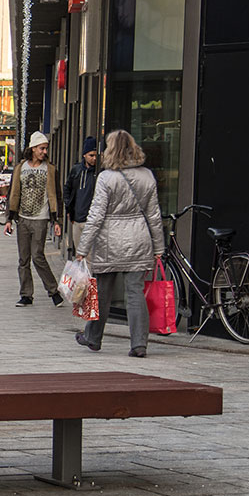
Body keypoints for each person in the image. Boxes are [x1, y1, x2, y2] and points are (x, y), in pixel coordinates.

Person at [75, 130, 165, 358]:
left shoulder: (106, 178)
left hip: (109, 241)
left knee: (102, 293)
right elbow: (154, 215)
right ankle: (139, 344)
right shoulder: (147, 176)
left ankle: (93, 338)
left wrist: (82, 249)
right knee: (135, 293)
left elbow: (95, 217)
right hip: (139, 239)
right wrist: (159, 248)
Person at [4, 131, 64, 308]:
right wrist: (9, 218)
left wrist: (56, 220)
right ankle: (26, 295)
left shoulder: (50, 169)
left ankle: (53, 291)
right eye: (41, 148)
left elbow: (56, 196)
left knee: (38, 256)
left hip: (41, 218)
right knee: (23, 259)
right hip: (22, 218)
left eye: (45, 149)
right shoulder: (20, 168)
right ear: (32, 148)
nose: (44, 152)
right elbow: (13, 193)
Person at [63, 136, 98, 257]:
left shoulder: (99, 172)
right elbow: (67, 189)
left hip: (91, 220)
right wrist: (69, 208)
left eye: (95, 155)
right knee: (79, 254)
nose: (94, 158)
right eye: (91, 155)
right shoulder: (76, 170)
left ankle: (88, 276)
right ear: (84, 155)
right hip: (77, 218)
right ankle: (83, 276)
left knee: (90, 256)